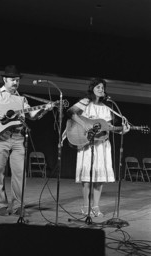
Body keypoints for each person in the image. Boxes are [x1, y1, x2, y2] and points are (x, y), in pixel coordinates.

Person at [0, 65, 52, 216]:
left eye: (17, 80)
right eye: (12, 79)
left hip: (18, 138)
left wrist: (46, 108)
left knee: (20, 174)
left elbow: (32, 116)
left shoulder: (21, 99)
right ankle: (1, 205)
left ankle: (18, 206)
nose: (15, 83)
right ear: (5, 79)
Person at [67, 77, 130, 217]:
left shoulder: (108, 107)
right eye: (98, 87)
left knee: (99, 177)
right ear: (92, 89)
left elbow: (108, 127)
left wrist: (121, 130)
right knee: (87, 177)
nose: (101, 89)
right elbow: (70, 112)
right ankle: (85, 206)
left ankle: (95, 206)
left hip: (102, 145)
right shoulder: (85, 102)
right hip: (87, 144)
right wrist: (85, 125)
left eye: (103, 87)